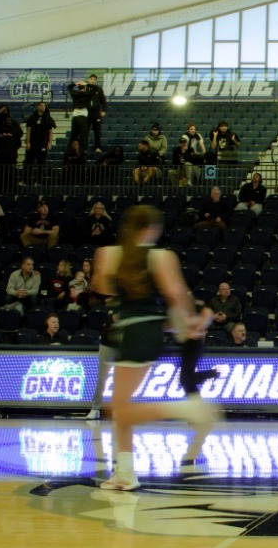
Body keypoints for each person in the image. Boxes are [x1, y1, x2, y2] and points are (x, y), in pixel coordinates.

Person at [88, 204, 219, 490]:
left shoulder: (109, 254)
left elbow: (101, 286)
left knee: (118, 410)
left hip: (135, 331)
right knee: (119, 408)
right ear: (149, 229)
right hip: (144, 331)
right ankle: (125, 472)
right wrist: (190, 323)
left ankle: (185, 411)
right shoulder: (161, 256)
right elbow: (176, 294)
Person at [0, 104, 20, 186]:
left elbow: (19, 135)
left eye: (6, 110)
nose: (5, 112)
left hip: (10, 154)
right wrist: (0, 113)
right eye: (3, 111)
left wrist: (12, 145)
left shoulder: (12, 123)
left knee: (10, 174)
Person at [24, 101, 56, 168]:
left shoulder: (48, 118)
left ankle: (40, 178)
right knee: (29, 162)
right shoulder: (32, 117)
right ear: (38, 107)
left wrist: (49, 143)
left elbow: (50, 132)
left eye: (44, 106)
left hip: (43, 144)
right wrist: (28, 142)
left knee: (41, 163)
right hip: (32, 143)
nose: (42, 107)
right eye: (41, 106)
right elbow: (28, 131)